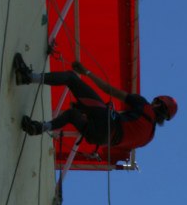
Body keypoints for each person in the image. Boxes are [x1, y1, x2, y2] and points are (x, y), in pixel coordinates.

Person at [13, 53, 177, 162]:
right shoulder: (148, 138)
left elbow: (108, 90)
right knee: (72, 114)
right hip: (99, 139)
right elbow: (123, 140)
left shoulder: (144, 106)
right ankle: (40, 127)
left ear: (157, 103)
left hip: (108, 123)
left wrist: (86, 72)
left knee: (71, 78)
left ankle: (27, 77)